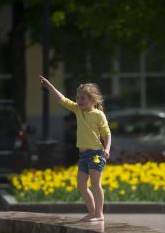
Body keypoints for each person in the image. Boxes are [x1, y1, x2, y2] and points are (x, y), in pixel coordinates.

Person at [40, 76, 111, 222]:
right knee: (81, 186)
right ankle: (92, 213)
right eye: (78, 97)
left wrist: (107, 149)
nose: (79, 100)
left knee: (95, 183)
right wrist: (50, 86)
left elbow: (106, 134)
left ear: (92, 99)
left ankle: (99, 214)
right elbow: (62, 99)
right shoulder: (78, 110)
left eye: (83, 98)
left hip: (96, 154)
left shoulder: (99, 115)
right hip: (83, 155)